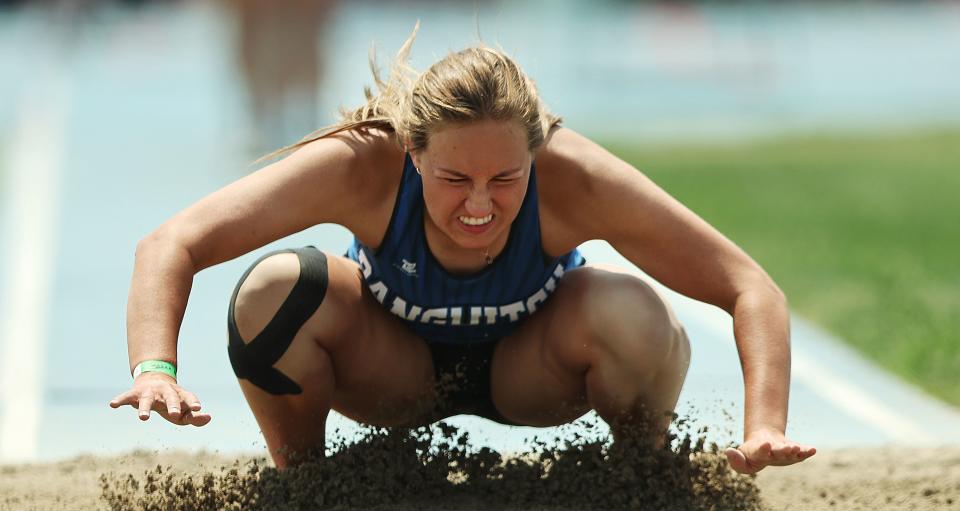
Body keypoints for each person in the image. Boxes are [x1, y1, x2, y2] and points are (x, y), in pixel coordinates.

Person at [109, 30, 816, 475]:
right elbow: (170, 242)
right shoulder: (362, 165)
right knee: (276, 288)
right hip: (393, 371)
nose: (479, 205)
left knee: (633, 309)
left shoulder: (576, 179)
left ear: (536, 155)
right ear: (412, 154)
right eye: (454, 179)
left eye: (506, 179)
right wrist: (154, 367)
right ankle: (306, 487)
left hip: (534, 370)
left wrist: (764, 427)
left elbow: (749, 287)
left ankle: (640, 480)